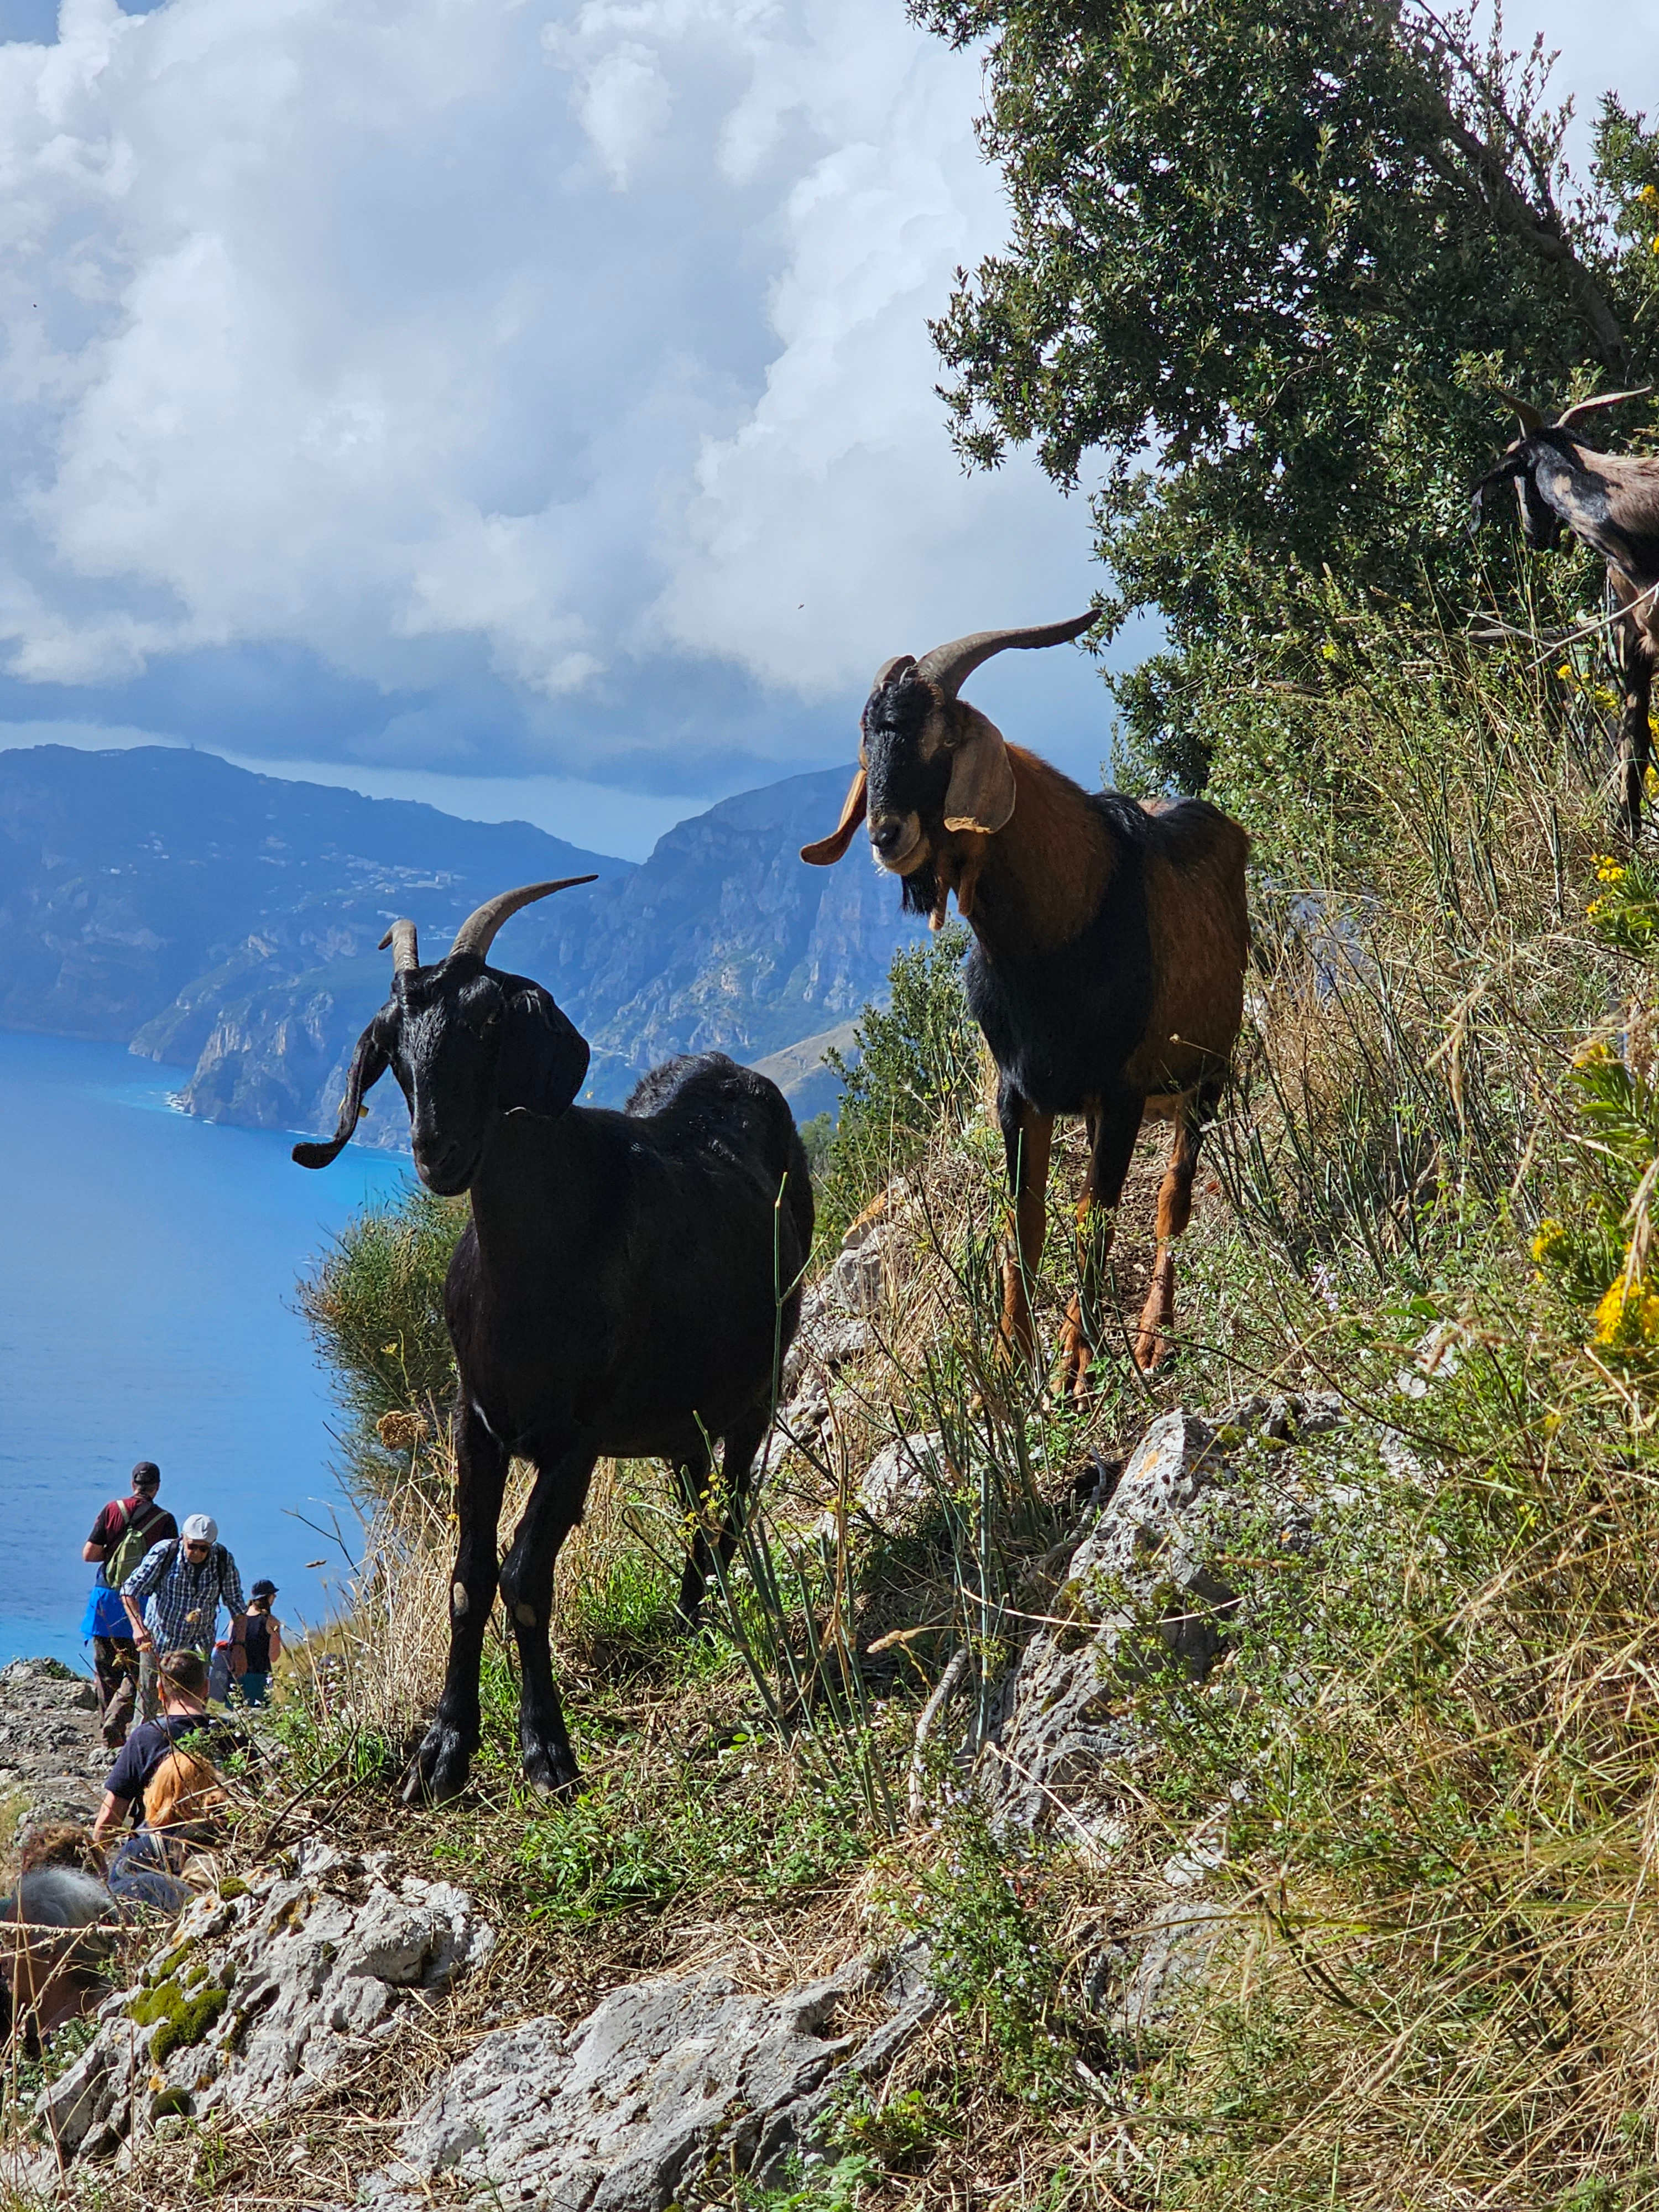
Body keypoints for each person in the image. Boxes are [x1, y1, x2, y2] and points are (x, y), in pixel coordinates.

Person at [80, 1462, 177, 1749]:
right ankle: (117, 1721)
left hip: (105, 1599)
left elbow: (89, 1554)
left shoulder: (112, 1510)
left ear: (132, 1483)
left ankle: (108, 1729)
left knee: (106, 1669)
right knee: (137, 1670)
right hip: (141, 1603)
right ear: (157, 1487)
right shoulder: (165, 1520)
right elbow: (168, 1567)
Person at [119, 1513, 247, 1723]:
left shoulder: (223, 1560)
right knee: (149, 1702)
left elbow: (237, 1606)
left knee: (194, 1704)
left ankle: (191, 1747)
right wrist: (138, 1628)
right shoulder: (164, 1553)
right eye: (192, 1546)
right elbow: (129, 1590)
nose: (196, 1552)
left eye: (203, 1548)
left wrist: (239, 1646)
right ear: (182, 1539)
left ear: (212, 1546)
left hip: (198, 1647)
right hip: (159, 1643)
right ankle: (144, 1746)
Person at [231, 1580, 281, 1707]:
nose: (275, 1598)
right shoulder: (271, 1623)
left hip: (238, 1678)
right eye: (273, 1595)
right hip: (260, 1678)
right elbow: (274, 1657)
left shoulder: (236, 1621)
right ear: (267, 1598)